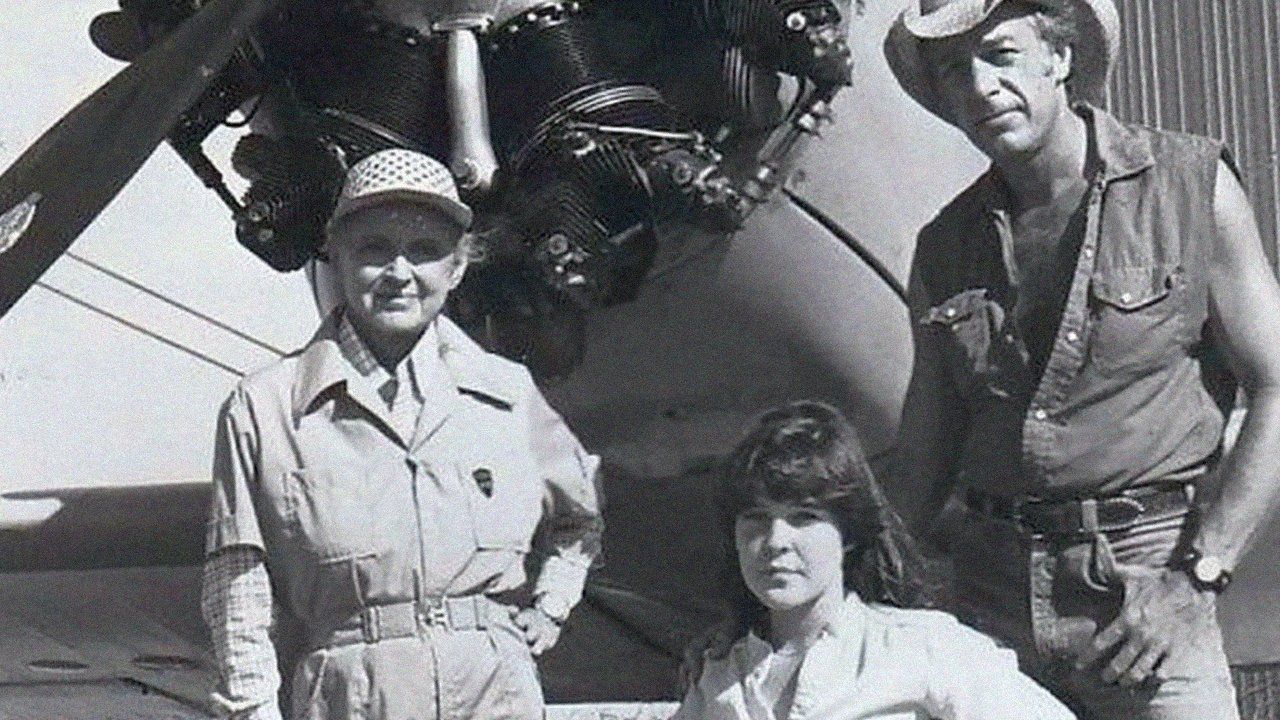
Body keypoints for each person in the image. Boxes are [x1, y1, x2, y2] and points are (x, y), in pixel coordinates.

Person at [883, 1, 1280, 718]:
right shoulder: (945, 246)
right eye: (952, 70)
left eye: (1000, 54)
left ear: (1060, 58)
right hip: (990, 607)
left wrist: (1198, 578)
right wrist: (847, 587)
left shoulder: (1189, 187)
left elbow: (1277, 384)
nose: (979, 86)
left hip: (1146, 596)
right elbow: (924, 451)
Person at [199, 148, 603, 720]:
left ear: (457, 267)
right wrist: (253, 711)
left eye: (424, 250)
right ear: (336, 258)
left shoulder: (509, 392)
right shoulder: (264, 406)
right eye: (373, 249)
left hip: (495, 691)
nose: (399, 273)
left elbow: (581, 519)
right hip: (349, 694)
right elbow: (237, 584)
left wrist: (552, 606)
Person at [674, 400, 1075, 720]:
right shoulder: (717, 674)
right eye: (756, 519)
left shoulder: (924, 648)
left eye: (805, 517)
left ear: (847, 534)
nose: (776, 541)